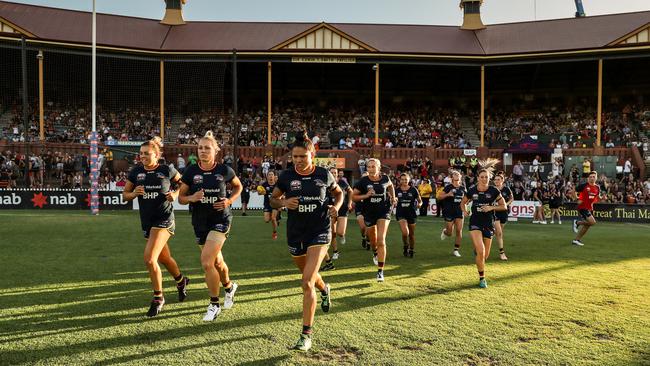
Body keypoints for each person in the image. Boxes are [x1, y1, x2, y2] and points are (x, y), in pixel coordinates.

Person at [270, 132, 342, 351]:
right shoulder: (286, 177)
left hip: (320, 232)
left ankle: (306, 335)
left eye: (303, 156)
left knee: (306, 282)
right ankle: (325, 289)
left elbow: (339, 194)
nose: (299, 160)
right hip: (296, 233)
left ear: (312, 154)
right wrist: (283, 202)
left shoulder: (323, 174)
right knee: (310, 277)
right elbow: (272, 200)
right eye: (295, 156)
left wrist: (335, 208)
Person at [178, 131, 242, 321]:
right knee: (217, 263)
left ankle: (214, 305)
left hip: (221, 220)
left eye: (207, 148)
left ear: (216, 151)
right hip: (200, 222)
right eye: (200, 148)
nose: (203, 151)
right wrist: (192, 197)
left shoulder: (224, 170)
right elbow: (181, 198)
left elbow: (238, 187)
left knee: (206, 261)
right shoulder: (190, 171)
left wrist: (229, 201)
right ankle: (229, 287)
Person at [123, 137, 189, 317]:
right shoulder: (136, 172)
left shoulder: (166, 169)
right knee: (165, 258)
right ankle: (182, 281)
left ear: (157, 154)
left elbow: (184, 185)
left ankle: (158, 298)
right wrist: (134, 193)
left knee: (150, 259)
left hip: (164, 219)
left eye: (147, 153)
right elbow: (125, 195)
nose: (142, 156)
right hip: (147, 221)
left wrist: (175, 194)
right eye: (141, 153)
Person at [460, 158, 507, 288]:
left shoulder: (494, 191)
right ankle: (482, 278)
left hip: (488, 223)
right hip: (475, 222)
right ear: (478, 178)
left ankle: (478, 252)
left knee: (485, 256)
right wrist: (464, 211)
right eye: (482, 177)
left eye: (486, 177)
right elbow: (463, 202)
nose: (484, 179)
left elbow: (504, 206)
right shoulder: (472, 190)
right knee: (481, 251)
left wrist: (491, 208)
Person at [352, 158, 396, 282]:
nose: (370, 169)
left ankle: (380, 271)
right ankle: (375, 252)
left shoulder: (385, 178)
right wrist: (366, 195)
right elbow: (353, 197)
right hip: (369, 213)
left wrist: (393, 197)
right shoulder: (363, 181)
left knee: (381, 240)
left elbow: (391, 185)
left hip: (384, 211)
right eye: (369, 167)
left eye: (373, 166)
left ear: (378, 167)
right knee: (373, 240)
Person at [572, 171, 605, 246]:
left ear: (596, 178)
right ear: (588, 178)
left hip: (590, 207)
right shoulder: (584, 186)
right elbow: (573, 191)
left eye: (594, 177)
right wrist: (576, 199)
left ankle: (576, 240)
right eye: (590, 177)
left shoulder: (597, 187)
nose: (592, 178)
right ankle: (577, 222)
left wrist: (602, 198)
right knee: (593, 222)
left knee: (587, 225)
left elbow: (598, 198)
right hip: (582, 207)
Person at [438, 170, 466, 257]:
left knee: (458, 230)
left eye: (458, 174)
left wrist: (466, 207)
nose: (457, 175)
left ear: (460, 177)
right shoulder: (448, 187)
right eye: (454, 174)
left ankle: (456, 250)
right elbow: (439, 197)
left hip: (459, 211)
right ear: (452, 177)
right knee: (450, 233)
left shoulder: (463, 188)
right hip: (449, 211)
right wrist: (448, 195)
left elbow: (466, 199)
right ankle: (445, 231)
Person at [395, 173, 422, 258]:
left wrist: (419, 204)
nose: (404, 181)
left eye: (406, 179)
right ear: (400, 180)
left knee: (411, 234)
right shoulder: (397, 190)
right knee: (405, 233)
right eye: (402, 179)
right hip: (401, 213)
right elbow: (393, 199)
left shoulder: (413, 190)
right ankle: (406, 246)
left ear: (409, 180)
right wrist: (394, 201)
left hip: (411, 213)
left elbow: (420, 201)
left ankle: (411, 249)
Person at [493, 171, 513, 261]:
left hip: (504, 212)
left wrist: (506, 204)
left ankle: (484, 241)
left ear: (502, 180)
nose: (496, 181)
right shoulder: (492, 189)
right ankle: (502, 253)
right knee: (500, 233)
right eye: (495, 180)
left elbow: (511, 198)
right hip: (495, 212)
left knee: (497, 233)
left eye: (498, 179)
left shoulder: (506, 189)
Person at [261, 171, 280, 239]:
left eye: (272, 174)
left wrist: (280, 197)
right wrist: (260, 192)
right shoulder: (264, 184)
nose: (271, 176)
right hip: (267, 203)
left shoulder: (277, 184)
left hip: (275, 203)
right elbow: (260, 193)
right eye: (269, 175)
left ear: (274, 176)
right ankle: (276, 218)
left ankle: (274, 232)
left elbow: (282, 192)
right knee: (266, 220)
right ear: (267, 176)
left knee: (273, 218)